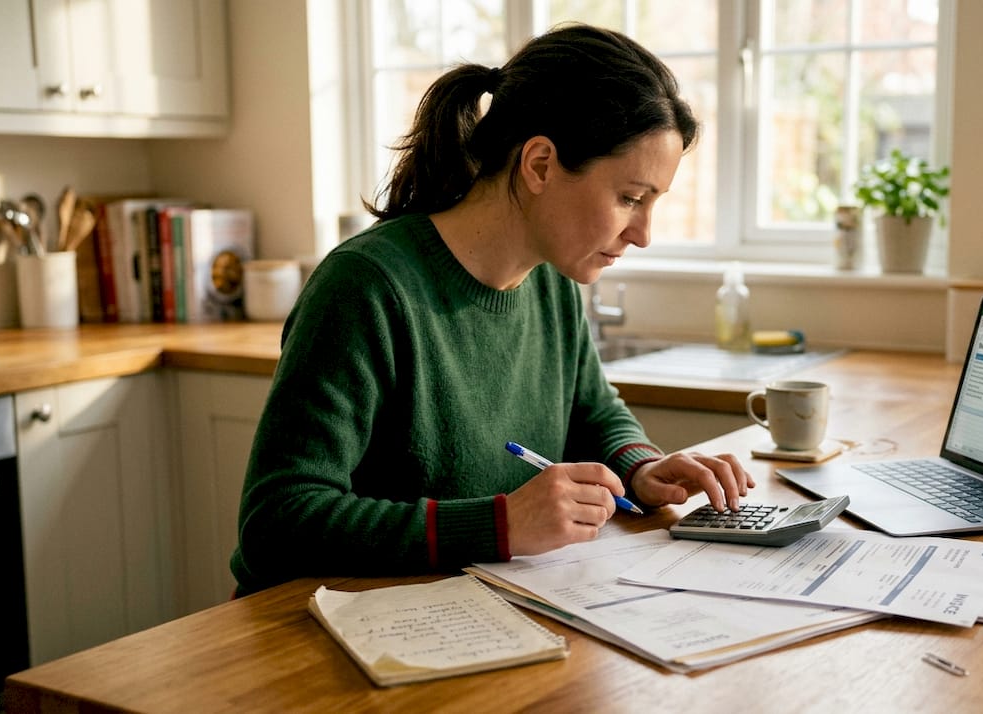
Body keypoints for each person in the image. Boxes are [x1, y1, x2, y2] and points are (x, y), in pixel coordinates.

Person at [230, 23, 754, 596]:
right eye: (630, 198)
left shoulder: (551, 281)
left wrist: (642, 469)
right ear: (540, 165)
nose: (644, 233)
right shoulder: (367, 286)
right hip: (321, 630)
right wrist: (499, 524)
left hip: (470, 606)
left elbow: (592, 411)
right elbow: (277, 522)